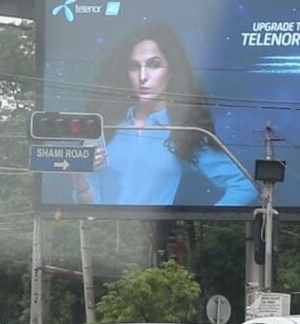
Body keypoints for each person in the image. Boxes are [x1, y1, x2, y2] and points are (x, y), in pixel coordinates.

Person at [73, 22, 259, 208]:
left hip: (154, 227)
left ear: (171, 71)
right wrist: (79, 176)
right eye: (134, 67)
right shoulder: (105, 126)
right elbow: (90, 205)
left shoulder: (185, 132)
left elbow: (245, 187)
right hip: (100, 227)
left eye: (154, 65)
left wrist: (205, 219)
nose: (142, 76)